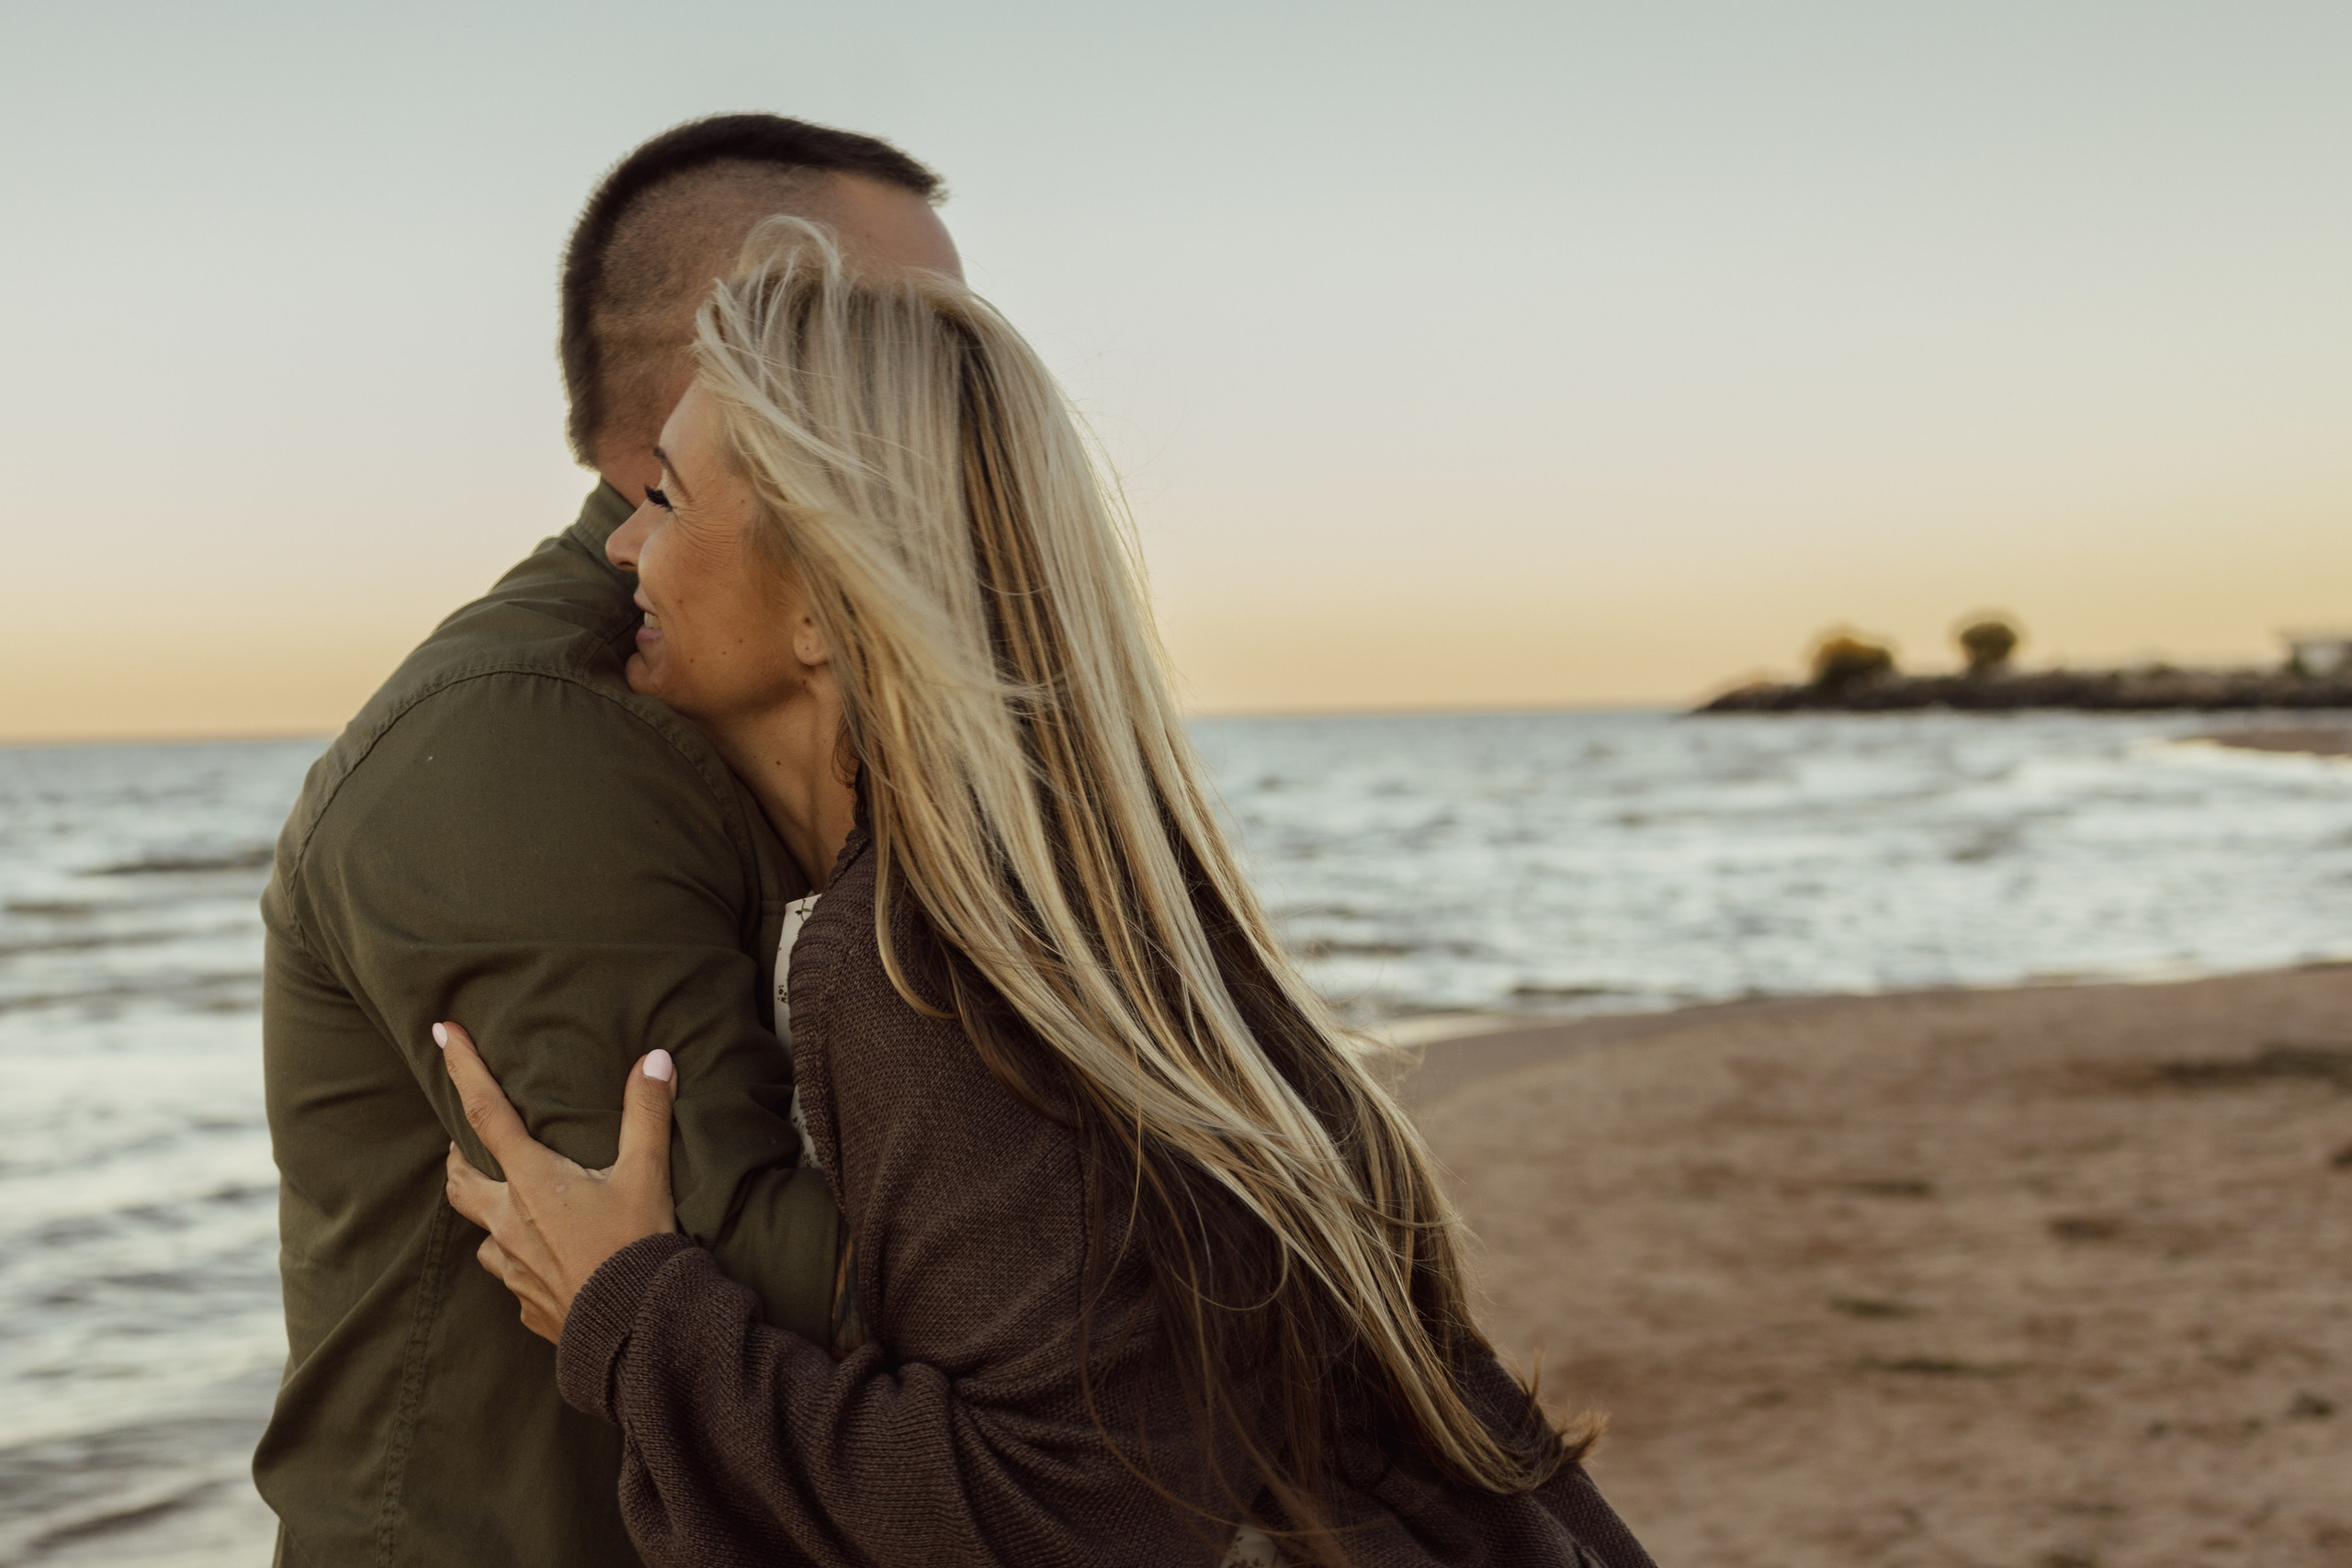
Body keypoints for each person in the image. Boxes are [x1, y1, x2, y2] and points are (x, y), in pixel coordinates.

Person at [435, 222, 1657, 1567]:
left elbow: (1063, 1517)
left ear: (824, 608)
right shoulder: (1097, 895)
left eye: (666, 501)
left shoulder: (919, 963)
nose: (622, 548)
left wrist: (630, 1311)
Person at [254, 115, 959, 1566]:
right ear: (732, 364)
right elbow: (750, 1271)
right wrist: (1178, 1247)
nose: (973, 386)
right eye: (913, 335)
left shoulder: (787, 690)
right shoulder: (527, 737)